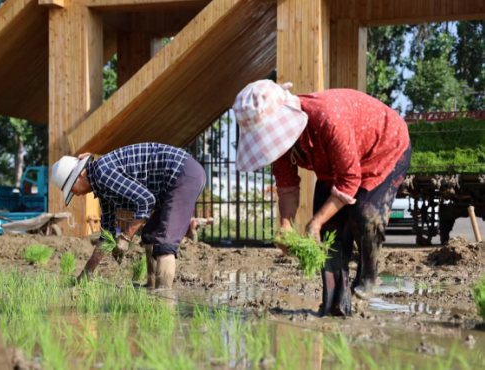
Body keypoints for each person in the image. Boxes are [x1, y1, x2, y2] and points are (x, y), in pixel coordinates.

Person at [233, 80, 411, 316]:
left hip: (383, 150)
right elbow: (287, 187)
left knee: (365, 216)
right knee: (329, 233)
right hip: (335, 166)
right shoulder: (279, 147)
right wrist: (285, 225)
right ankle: (335, 305)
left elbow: (349, 182)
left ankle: (369, 273)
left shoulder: (327, 119)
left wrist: (314, 221)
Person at [51, 143, 206, 289]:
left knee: (165, 243)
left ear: (80, 175)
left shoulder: (102, 173)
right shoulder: (102, 188)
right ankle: (152, 286)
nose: (75, 194)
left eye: (72, 189)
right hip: (170, 185)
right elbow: (107, 237)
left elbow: (146, 200)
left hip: (182, 174)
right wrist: (87, 272)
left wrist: (125, 239)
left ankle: (163, 300)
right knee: (149, 234)